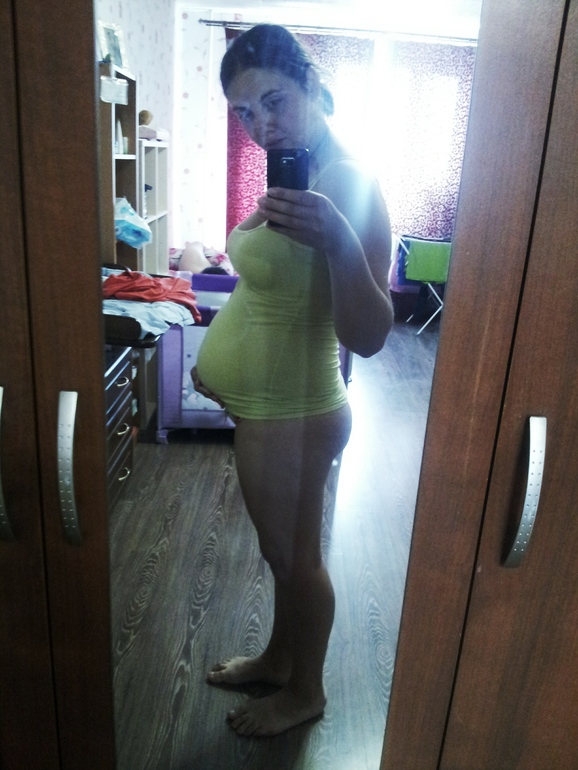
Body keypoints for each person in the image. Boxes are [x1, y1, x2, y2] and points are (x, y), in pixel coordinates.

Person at [191, 23, 393, 737]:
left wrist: (338, 236)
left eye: (274, 102)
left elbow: (371, 334)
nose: (260, 126)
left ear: (314, 88)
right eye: (244, 113)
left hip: (297, 408)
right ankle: (280, 658)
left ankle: (306, 691)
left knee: (297, 560)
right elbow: (268, 285)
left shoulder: (350, 181)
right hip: (271, 405)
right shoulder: (296, 167)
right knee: (280, 556)